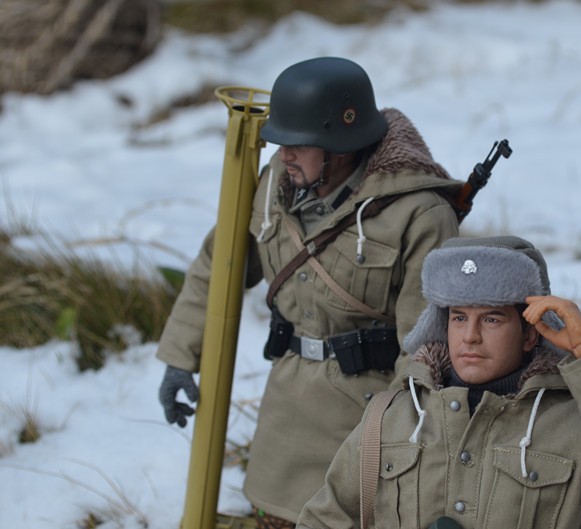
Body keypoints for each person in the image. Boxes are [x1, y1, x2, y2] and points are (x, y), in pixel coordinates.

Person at [156, 56, 464, 528]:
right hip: (286, 412)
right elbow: (219, 265)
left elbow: (427, 342)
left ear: (340, 147)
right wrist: (181, 355)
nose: (284, 156)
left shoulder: (418, 214)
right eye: (281, 143)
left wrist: (401, 433)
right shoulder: (273, 189)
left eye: (298, 145)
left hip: (366, 418)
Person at [296, 235, 581, 529]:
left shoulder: (576, 426)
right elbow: (326, 519)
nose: (470, 336)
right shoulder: (393, 416)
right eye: (459, 317)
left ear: (529, 333)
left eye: (491, 318)